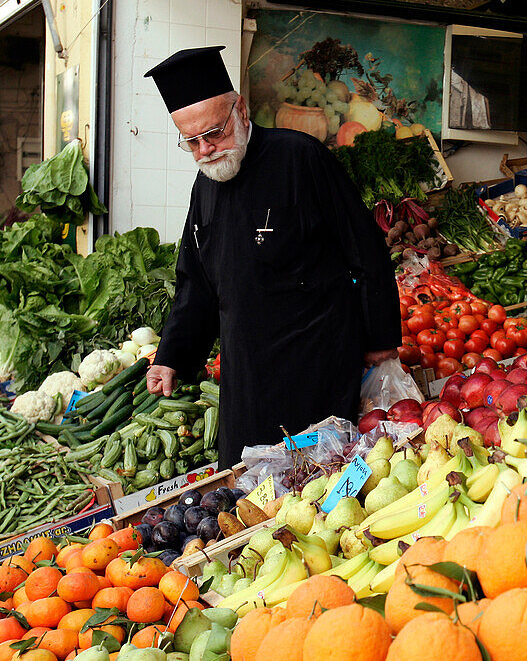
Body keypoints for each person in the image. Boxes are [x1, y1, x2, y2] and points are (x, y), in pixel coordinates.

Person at [143, 46, 399, 468]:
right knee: (249, 489)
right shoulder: (205, 187)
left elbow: (364, 248)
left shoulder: (300, 157)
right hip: (246, 375)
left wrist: (378, 338)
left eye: (214, 133)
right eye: (192, 142)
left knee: (317, 484)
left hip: (315, 363)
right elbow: (196, 283)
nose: (206, 150)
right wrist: (173, 356)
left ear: (240, 111)